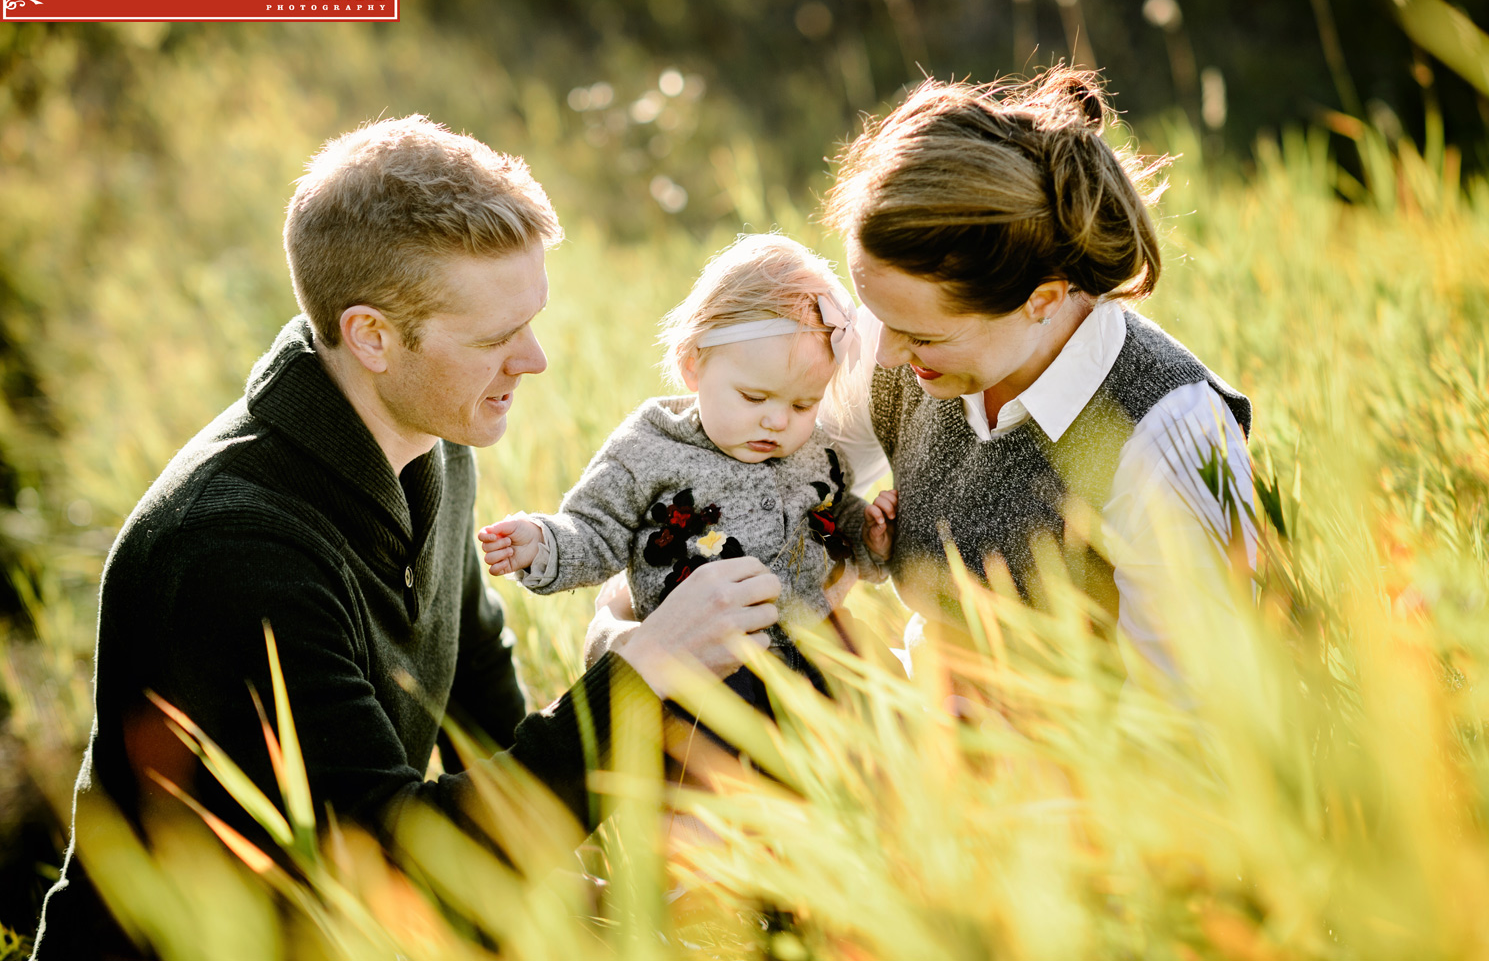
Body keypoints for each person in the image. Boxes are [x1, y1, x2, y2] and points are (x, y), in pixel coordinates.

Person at [30, 115, 781, 960]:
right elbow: (384, 853)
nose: (533, 360)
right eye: (497, 338)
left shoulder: (432, 440)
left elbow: (477, 712)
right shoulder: (233, 551)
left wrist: (606, 896)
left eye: (530, 320)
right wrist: (638, 679)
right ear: (372, 336)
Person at [817, 66, 1256, 683]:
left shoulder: (1172, 433)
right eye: (879, 317)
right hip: (920, 726)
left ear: (1043, 300)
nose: (885, 353)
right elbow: (764, 490)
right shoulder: (903, 333)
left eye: (923, 336)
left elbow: (1200, 713)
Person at [478, 234, 879, 716]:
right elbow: (595, 527)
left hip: (816, 651)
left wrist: (871, 537)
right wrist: (542, 542)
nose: (777, 420)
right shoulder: (652, 447)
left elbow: (834, 519)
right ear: (694, 366)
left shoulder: (816, 452)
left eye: (802, 404)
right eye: (754, 398)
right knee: (705, 752)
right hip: (705, 665)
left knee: (877, 691)